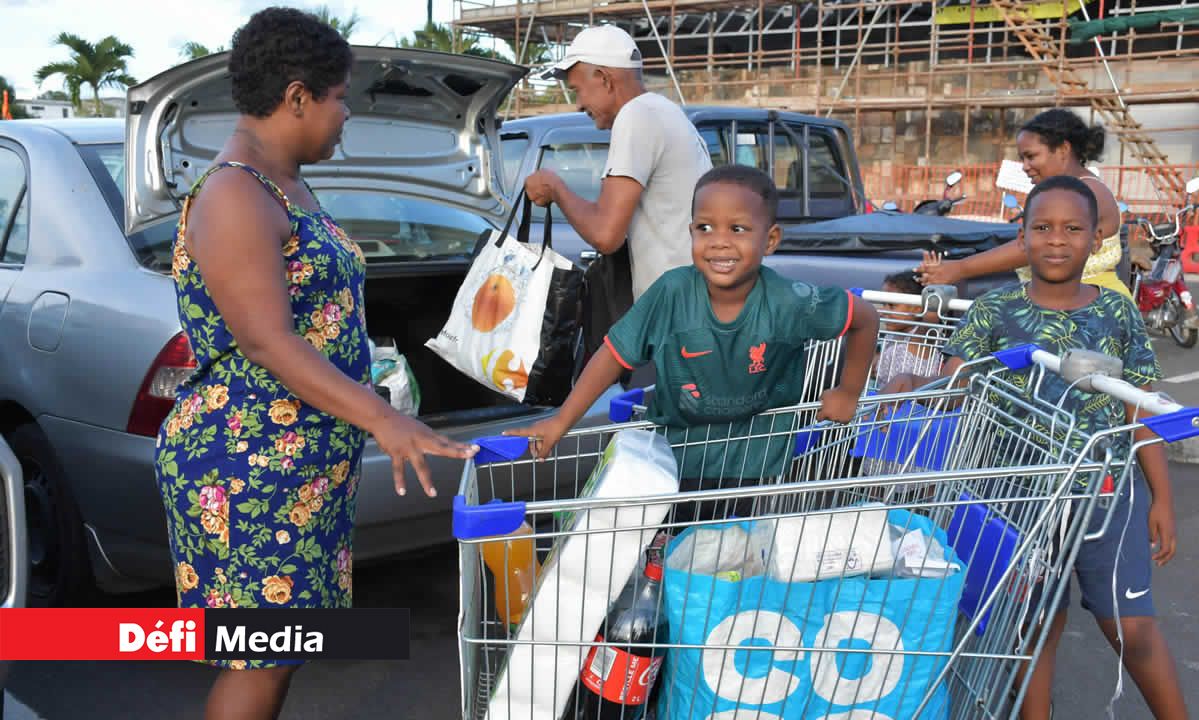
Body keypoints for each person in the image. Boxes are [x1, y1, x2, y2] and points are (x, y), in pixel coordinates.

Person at [153, 9, 477, 719]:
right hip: (249, 464)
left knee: (285, 649)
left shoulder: (283, 181)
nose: (346, 115)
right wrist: (384, 420)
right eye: (339, 98)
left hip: (298, 465)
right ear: (297, 96)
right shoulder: (235, 192)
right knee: (258, 662)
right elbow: (268, 341)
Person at [883, 176, 1188, 720]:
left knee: (1130, 627)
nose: (1056, 240)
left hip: (1105, 495)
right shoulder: (993, 310)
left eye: (1073, 229)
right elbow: (956, 383)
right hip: (1013, 498)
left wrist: (1161, 497)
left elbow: (1137, 406)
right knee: (1029, 628)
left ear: (1097, 240)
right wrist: (911, 385)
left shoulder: (1117, 312)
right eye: (1042, 228)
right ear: (1021, 237)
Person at [507, 165, 878, 489]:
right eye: (705, 227)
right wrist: (561, 422)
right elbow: (614, 354)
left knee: (734, 561)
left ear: (771, 240)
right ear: (691, 233)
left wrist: (848, 392)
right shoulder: (673, 292)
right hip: (673, 462)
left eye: (737, 229)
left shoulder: (788, 301)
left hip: (756, 468)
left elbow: (864, 318)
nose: (719, 242)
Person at [524, 25, 713, 343]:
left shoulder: (636, 116)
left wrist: (556, 187)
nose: (579, 105)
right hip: (694, 308)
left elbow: (605, 235)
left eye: (577, 90)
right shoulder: (664, 110)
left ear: (604, 78)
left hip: (677, 319)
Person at [918, 109, 1131, 299]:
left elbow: (1033, 248)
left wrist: (958, 269)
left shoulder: (1080, 194)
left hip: (1092, 310)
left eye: (1031, 156)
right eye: (1022, 158)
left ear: (1063, 150)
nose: (1025, 167)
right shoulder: (1073, 190)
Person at [875, 270, 944, 385]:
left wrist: (933, 283)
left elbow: (931, 316)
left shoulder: (921, 336)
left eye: (892, 306)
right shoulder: (893, 334)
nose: (883, 311)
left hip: (911, 401)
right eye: (883, 304)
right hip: (885, 397)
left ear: (917, 309)